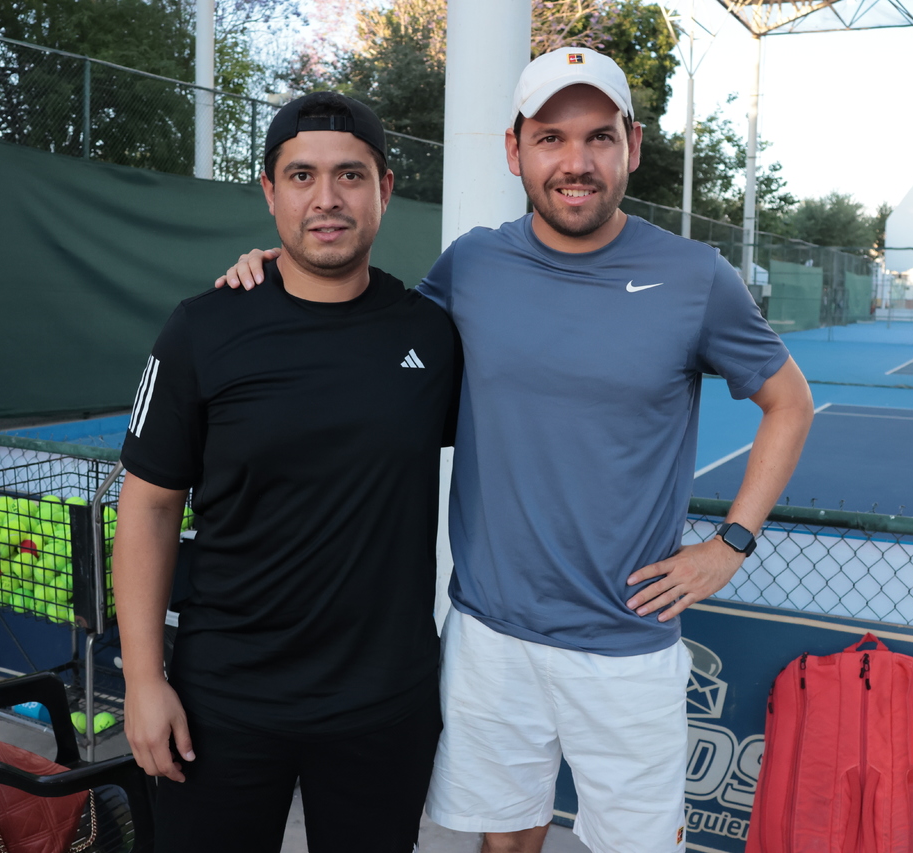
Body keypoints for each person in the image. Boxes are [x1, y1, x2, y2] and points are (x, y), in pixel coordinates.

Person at [218, 47, 813, 853]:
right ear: (515, 150)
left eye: (599, 137)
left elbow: (789, 401)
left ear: (632, 146)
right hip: (491, 636)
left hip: (627, 644)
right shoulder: (473, 263)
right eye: (550, 138)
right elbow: (371, 332)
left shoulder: (695, 277)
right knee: (506, 838)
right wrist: (280, 268)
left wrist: (730, 543)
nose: (576, 162)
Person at [113, 92, 460, 853]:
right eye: (302, 176)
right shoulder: (202, 328)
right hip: (222, 702)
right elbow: (148, 507)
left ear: (384, 189)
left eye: (350, 175)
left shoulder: (432, 335)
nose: (326, 198)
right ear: (270, 192)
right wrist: (143, 679)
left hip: (383, 707)